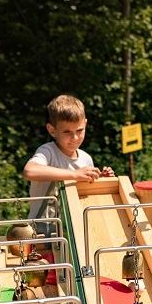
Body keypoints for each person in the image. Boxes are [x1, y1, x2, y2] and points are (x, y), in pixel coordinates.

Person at [23, 94, 114, 225]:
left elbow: (87, 195)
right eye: (67, 132)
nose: (75, 137)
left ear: (85, 124)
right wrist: (75, 174)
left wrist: (101, 179)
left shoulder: (86, 159)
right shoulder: (48, 151)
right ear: (52, 130)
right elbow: (29, 171)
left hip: (74, 228)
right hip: (41, 228)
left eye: (80, 130)